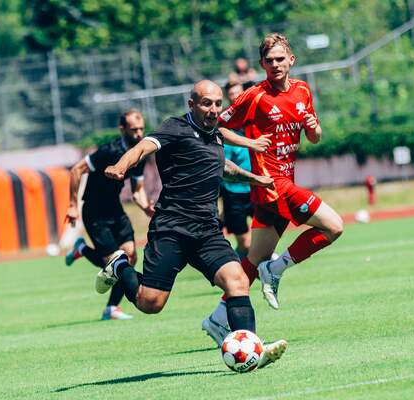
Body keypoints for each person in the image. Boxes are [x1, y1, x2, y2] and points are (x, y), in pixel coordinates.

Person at [95, 80, 287, 367]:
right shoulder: (175, 127)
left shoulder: (216, 134)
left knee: (237, 281)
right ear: (192, 104)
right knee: (150, 303)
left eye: (218, 104)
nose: (213, 109)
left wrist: (256, 179)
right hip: (171, 228)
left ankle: (252, 350)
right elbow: (143, 147)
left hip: (207, 230)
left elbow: (223, 168)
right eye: (206, 103)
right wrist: (122, 165)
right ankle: (120, 265)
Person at [202, 33, 344, 345]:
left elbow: (315, 137)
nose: (275, 64)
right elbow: (217, 128)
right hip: (272, 184)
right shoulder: (254, 95)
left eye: (280, 59)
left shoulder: (303, 90)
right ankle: (277, 268)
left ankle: (217, 318)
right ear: (261, 64)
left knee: (252, 263)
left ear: (291, 60)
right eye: (269, 61)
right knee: (334, 226)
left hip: (282, 183)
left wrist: (314, 128)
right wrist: (250, 142)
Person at [64, 109, 155, 321]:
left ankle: (111, 308)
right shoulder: (109, 151)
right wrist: (72, 205)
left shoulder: (140, 154)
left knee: (130, 257)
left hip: (115, 210)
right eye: (134, 130)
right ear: (122, 129)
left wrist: (146, 207)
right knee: (115, 262)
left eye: (141, 129)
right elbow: (76, 170)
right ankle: (82, 249)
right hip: (95, 212)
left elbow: (137, 190)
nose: (139, 134)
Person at [220, 80, 253, 259]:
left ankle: (263, 264)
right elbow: (221, 165)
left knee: (268, 235)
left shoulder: (255, 118)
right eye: (232, 94)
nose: (236, 97)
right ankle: (228, 266)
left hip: (256, 189)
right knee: (244, 243)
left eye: (239, 93)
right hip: (234, 193)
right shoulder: (223, 125)